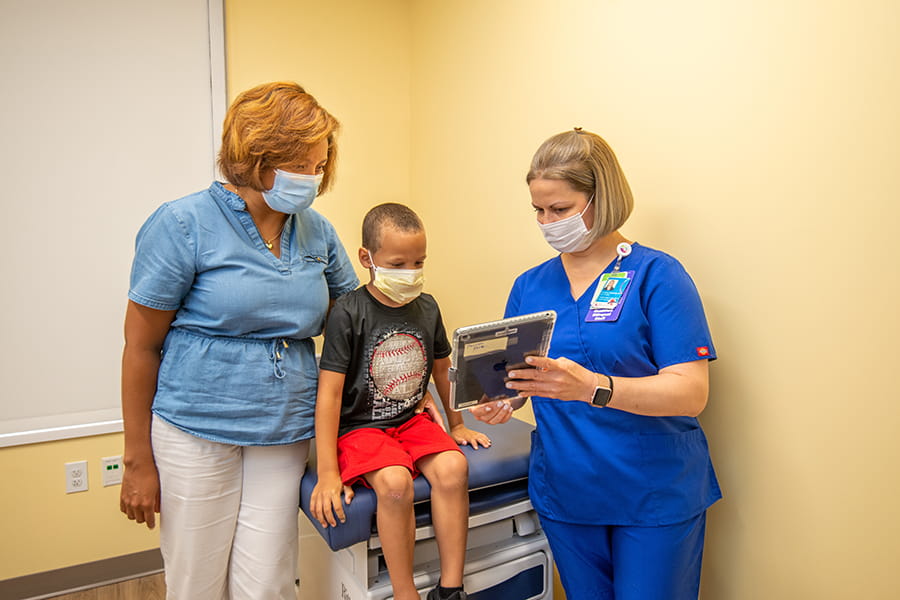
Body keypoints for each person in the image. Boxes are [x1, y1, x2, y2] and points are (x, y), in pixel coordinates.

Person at [119, 81, 359, 599]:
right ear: (257, 158)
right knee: (197, 580)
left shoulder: (317, 232)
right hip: (195, 427)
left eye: (319, 166)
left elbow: (354, 321)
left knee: (268, 579)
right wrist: (137, 459)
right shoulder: (182, 224)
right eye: (302, 165)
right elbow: (140, 348)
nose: (312, 179)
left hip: (284, 427)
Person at [471, 128, 721, 600]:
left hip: (653, 493)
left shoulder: (658, 275)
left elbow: (692, 391)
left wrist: (596, 388)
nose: (547, 222)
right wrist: (503, 398)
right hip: (568, 490)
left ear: (599, 198)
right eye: (538, 211)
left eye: (560, 209)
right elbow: (523, 378)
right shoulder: (530, 286)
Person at [311, 203, 489, 600]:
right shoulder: (348, 313)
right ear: (366, 258)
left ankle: (450, 589)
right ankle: (405, 593)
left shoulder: (427, 307)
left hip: (410, 420)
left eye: (418, 261)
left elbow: (444, 370)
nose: (410, 272)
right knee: (394, 483)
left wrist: (456, 423)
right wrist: (327, 472)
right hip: (361, 427)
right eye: (398, 263)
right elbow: (330, 394)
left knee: (453, 467)